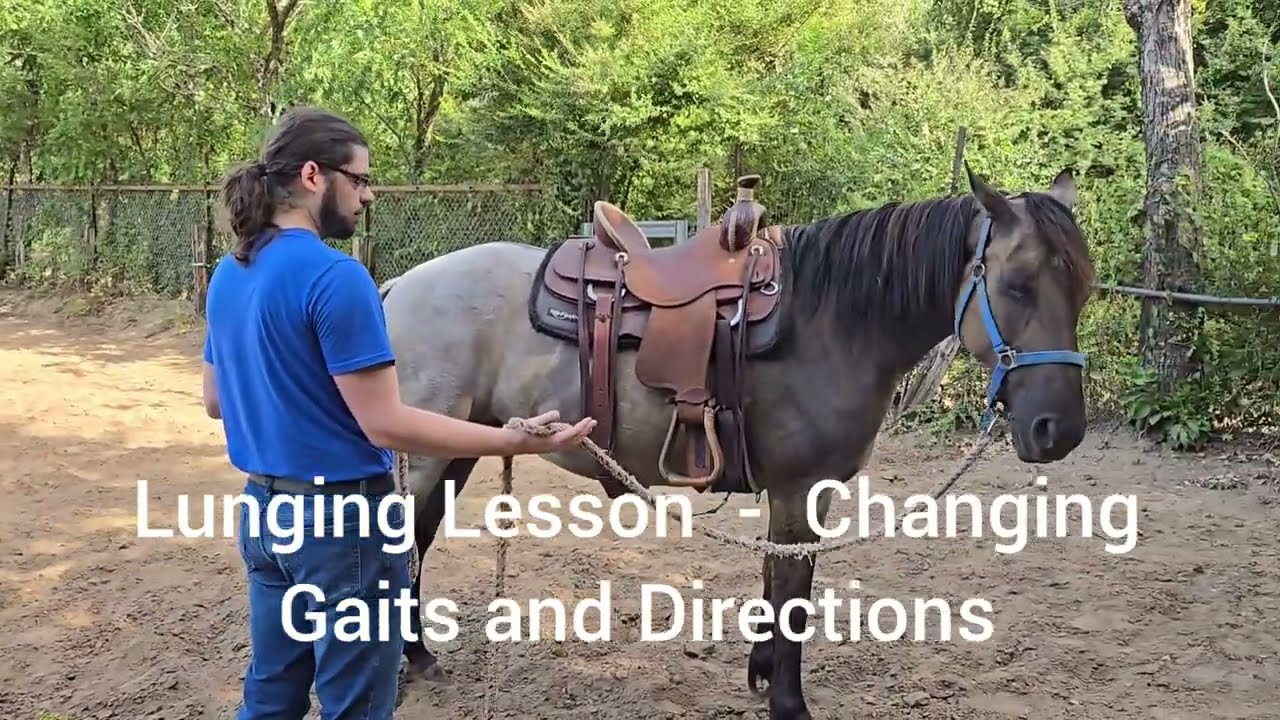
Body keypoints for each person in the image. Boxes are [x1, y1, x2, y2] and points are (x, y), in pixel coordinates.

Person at [200, 106, 596, 720]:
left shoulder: (231, 272)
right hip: (346, 523)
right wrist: (515, 442)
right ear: (313, 175)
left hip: (264, 512)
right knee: (356, 703)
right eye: (358, 179)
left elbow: (217, 401)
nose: (367, 194)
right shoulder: (338, 277)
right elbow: (386, 423)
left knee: (271, 692)